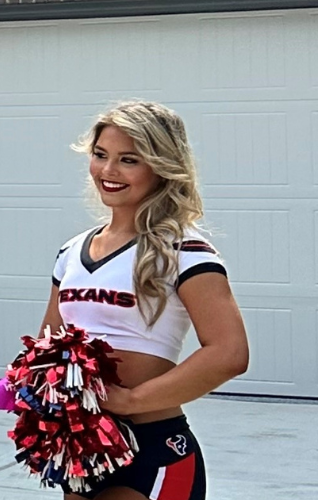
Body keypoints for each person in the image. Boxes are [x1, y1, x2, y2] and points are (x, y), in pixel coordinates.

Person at [46, 101, 247, 500]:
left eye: (128, 160)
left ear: (160, 165)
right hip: (86, 448)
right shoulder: (72, 251)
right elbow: (48, 348)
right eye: (100, 155)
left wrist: (132, 399)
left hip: (154, 449)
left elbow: (229, 353)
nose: (108, 171)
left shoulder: (184, 251)